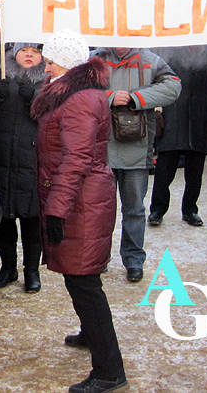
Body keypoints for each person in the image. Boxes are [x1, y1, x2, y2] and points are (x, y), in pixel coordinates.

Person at [30, 30, 127, 393]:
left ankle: (109, 370)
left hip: (80, 201)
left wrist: (56, 209)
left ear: (67, 64)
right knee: (80, 274)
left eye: (51, 61)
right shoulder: (69, 94)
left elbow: (77, 159)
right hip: (78, 198)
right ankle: (91, 334)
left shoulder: (80, 100)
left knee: (84, 281)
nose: (45, 66)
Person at [92, 44, 181, 282]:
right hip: (102, 147)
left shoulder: (150, 59)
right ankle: (98, 259)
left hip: (137, 148)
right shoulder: (94, 58)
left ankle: (133, 261)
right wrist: (110, 97)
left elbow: (173, 87)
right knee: (101, 211)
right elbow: (77, 90)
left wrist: (135, 98)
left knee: (134, 210)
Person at [0, 42, 46, 292]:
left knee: (32, 220)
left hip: (32, 159)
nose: (29, 55)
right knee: (4, 219)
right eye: (24, 50)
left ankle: (31, 270)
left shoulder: (47, 81)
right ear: (14, 53)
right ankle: (7, 267)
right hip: (1, 157)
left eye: (34, 51)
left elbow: (51, 116)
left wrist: (33, 97)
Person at [148, 45, 207, 227]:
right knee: (164, 169)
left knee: (195, 171)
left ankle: (190, 210)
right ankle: (157, 209)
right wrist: (157, 110)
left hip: (200, 116)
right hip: (173, 115)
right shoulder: (169, 51)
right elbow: (157, 81)